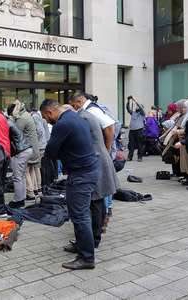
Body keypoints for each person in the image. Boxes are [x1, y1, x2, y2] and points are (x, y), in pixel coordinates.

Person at [40, 99, 98, 270]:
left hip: (81, 174)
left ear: (50, 112)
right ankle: (82, 246)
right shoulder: (76, 117)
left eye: (45, 117)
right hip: (86, 170)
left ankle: (86, 257)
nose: (46, 121)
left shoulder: (62, 124)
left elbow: (50, 151)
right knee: (81, 213)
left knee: (80, 215)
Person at [62, 105, 119, 253]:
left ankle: (91, 241)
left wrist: (107, 148)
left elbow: (111, 125)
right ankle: (90, 239)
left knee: (95, 202)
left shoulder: (84, 117)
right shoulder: (85, 116)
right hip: (96, 160)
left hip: (95, 162)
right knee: (96, 202)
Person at [9, 100, 41, 203]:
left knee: (24, 173)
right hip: (33, 147)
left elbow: (16, 131)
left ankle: (30, 193)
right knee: (32, 170)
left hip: (25, 147)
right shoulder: (26, 115)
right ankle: (36, 189)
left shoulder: (21, 118)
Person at [6, 115, 33, 209]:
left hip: (20, 151)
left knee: (17, 176)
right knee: (21, 176)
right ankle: (22, 198)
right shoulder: (12, 122)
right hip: (26, 149)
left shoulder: (7, 124)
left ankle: (18, 200)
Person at [126, 96, 146, 161]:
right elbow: (128, 109)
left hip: (139, 130)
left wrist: (135, 101)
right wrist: (128, 101)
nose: (136, 107)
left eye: (137, 106)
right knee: (131, 144)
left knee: (140, 145)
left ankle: (140, 157)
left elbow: (140, 107)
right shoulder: (133, 113)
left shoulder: (142, 113)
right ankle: (129, 157)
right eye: (136, 106)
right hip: (132, 131)